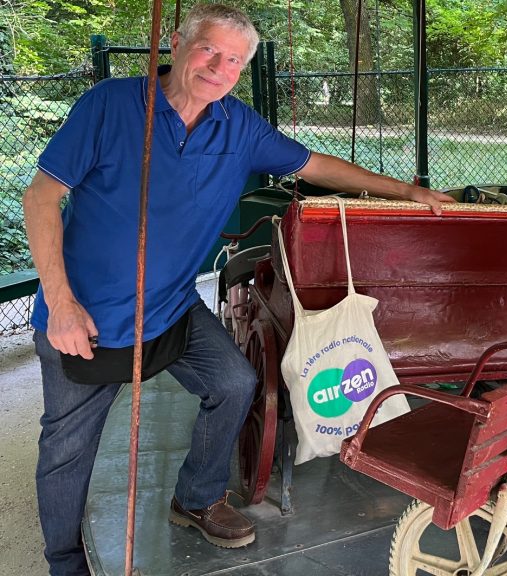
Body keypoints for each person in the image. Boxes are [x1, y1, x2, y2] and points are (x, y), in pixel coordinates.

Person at [21, 4, 453, 575]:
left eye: (234, 60)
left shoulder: (239, 126)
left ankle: (196, 497)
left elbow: (314, 165)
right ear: (176, 44)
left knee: (234, 381)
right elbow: (41, 197)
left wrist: (407, 192)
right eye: (208, 50)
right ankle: (65, 560)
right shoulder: (112, 105)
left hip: (171, 306)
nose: (218, 67)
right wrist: (62, 303)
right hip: (88, 313)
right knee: (68, 447)